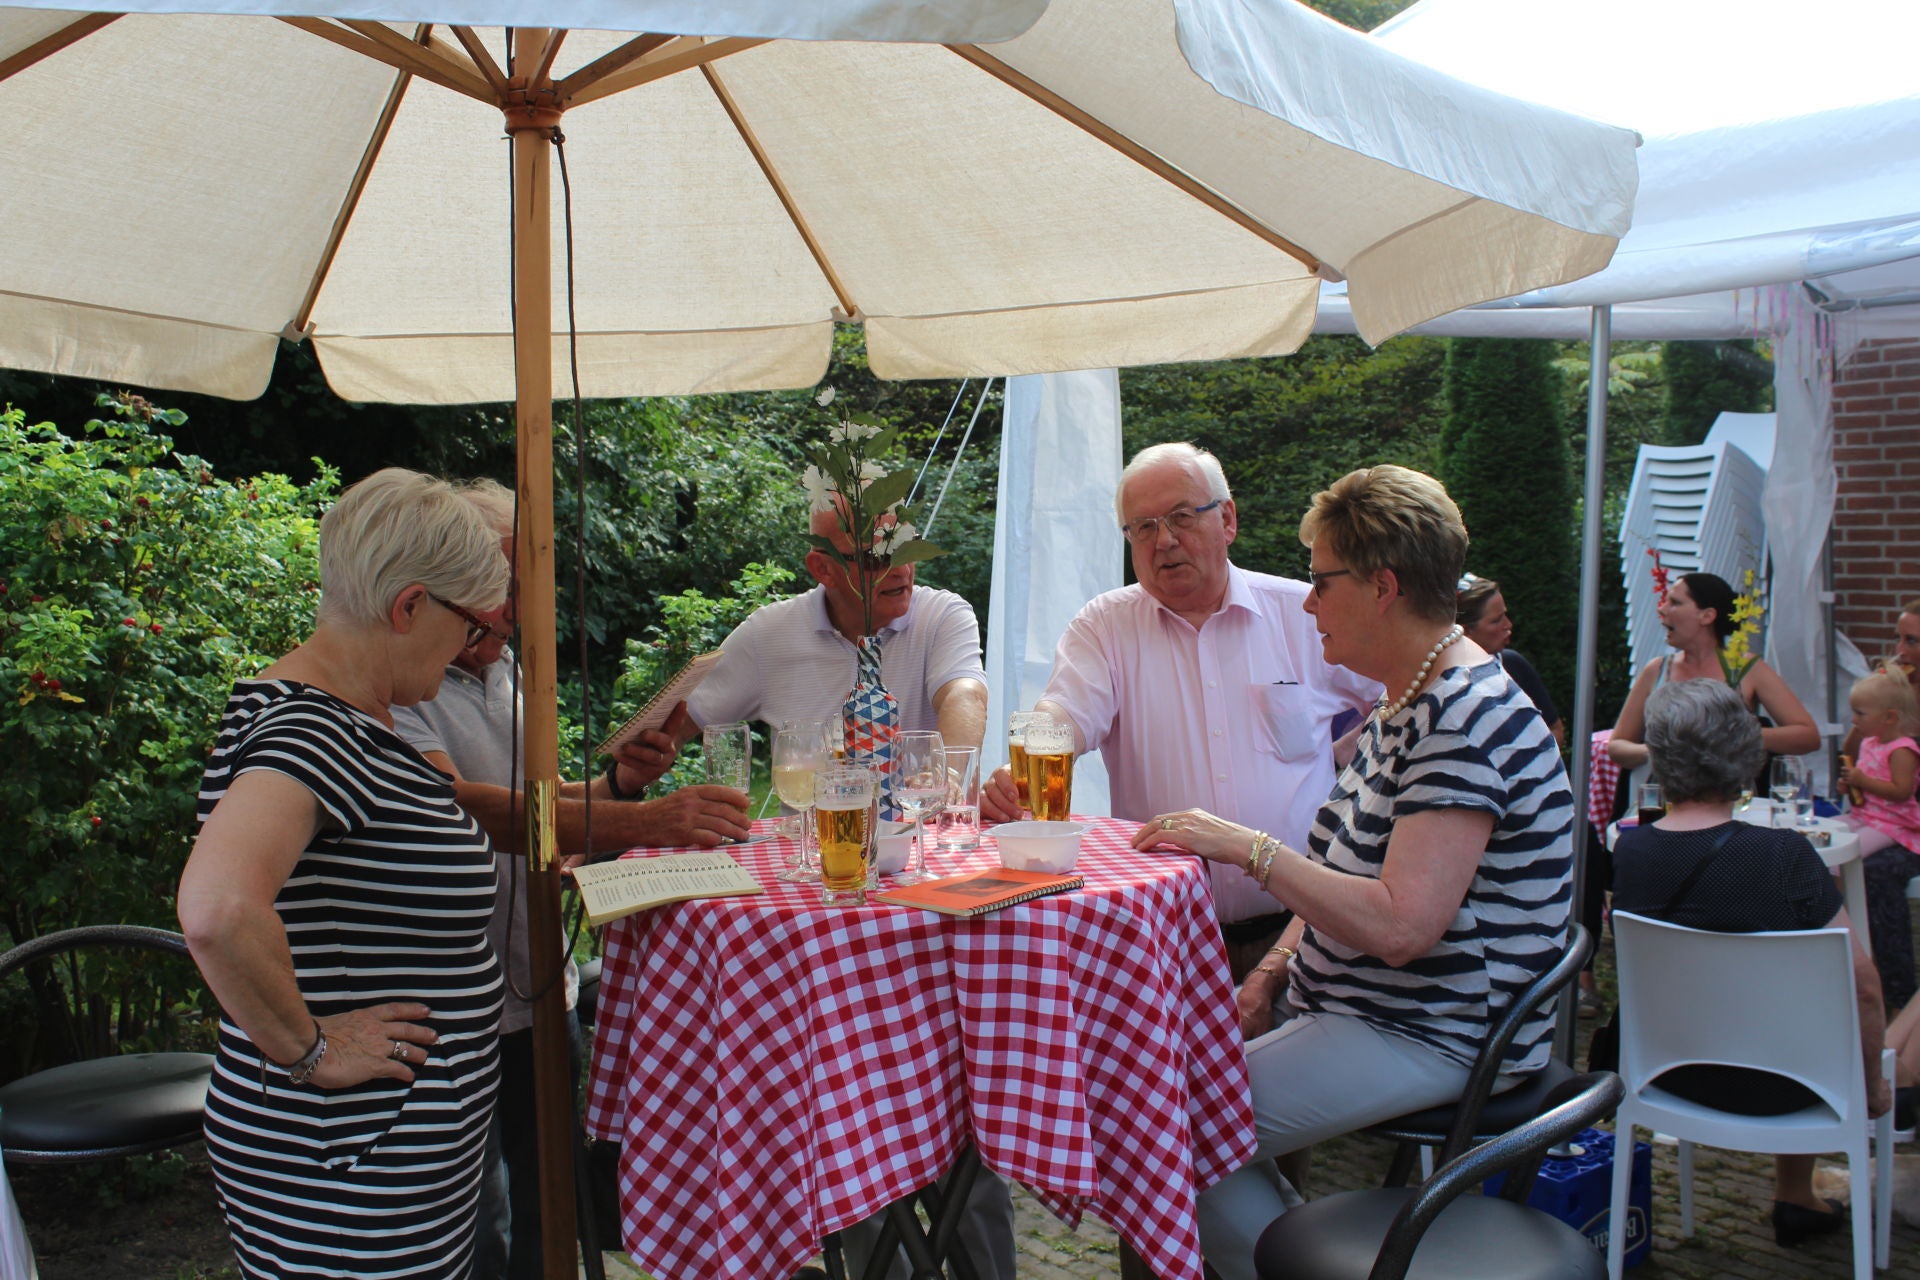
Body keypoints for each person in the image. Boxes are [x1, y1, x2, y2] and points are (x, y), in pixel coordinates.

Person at [1133, 464, 1573, 1280]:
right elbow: (1342, 871)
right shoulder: (1409, 699)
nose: (1308, 605)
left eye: (1321, 581)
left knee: (1158, 1124)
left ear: (1382, 587)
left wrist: (1248, 849)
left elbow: (1402, 925)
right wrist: (1270, 973)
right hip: (1378, 1012)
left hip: (1437, 1029)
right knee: (1160, 1107)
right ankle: (1303, 1254)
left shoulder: (1460, 718)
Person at [390, 480, 751, 1279]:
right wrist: (645, 823)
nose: (515, 611)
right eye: (502, 589)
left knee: (552, 1209)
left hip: (537, 986)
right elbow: (469, 809)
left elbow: (545, 814)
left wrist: (621, 785)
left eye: (521, 588)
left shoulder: (504, 669)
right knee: (475, 1228)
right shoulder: (397, 688)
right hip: (449, 1006)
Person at [177, 468, 512, 1279]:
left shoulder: (335, 716)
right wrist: (312, 1050)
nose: (472, 650)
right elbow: (217, 909)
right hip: (353, 1162)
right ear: (409, 607)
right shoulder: (314, 731)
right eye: (471, 626)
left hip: (377, 1151)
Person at [981, 442, 1380, 949]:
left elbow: (1397, 693)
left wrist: (1360, 768)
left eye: (1182, 518)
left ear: (1227, 520)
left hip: (1301, 930)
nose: (1165, 541)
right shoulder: (1106, 625)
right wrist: (1028, 759)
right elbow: (1067, 712)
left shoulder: (1301, 613)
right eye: (1143, 528)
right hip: (1164, 937)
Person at [1612, 679, 1889, 1247]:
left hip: (1669, 1075)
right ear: (1744, 751)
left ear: (1661, 755)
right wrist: (1871, 1089)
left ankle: (1795, 1197)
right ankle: (1796, 1195)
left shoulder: (1631, 850)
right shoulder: (1785, 854)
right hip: (1790, 1085)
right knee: (1812, 1007)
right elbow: (1863, 987)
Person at [688, 504, 988, 749]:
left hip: (919, 808)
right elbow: (677, 723)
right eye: (876, 558)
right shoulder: (768, 634)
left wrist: (947, 777)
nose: (901, 569)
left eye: (907, 548)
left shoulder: (940, 616)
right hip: (812, 809)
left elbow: (965, 695)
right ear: (823, 569)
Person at [1607, 571, 1819, 770]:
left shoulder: (1744, 668)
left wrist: (1738, 736)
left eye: (1675, 602)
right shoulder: (1657, 670)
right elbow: (1617, 745)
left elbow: (1807, 736)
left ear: (1707, 616)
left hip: (1731, 791)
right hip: (1668, 791)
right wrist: (1655, 751)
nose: (1661, 609)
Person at [1836, 666, 1920, 1011]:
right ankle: (1840, 911)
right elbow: (1864, 781)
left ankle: (1846, 911)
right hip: (1867, 815)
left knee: (1850, 852)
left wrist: (1863, 781)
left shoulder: (1903, 749)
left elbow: (1901, 791)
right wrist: (1850, 785)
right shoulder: (1870, 742)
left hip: (1894, 825)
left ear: (1889, 717)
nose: (1853, 720)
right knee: (1827, 832)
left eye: (1860, 714)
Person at [1456, 573, 1565, 744]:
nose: (1508, 625)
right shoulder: (1445, 681)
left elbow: (1555, 730)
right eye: (1496, 620)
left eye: (1505, 615)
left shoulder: (1512, 664)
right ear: (1466, 631)